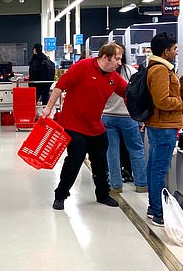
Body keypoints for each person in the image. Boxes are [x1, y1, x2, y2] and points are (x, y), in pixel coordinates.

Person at [41, 42, 126, 210]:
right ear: (104, 57)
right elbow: (60, 86)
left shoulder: (114, 78)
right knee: (74, 161)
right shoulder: (83, 67)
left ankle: (102, 194)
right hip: (74, 125)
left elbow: (129, 94)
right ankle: (61, 195)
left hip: (96, 127)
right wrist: (48, 108)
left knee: (101, 164)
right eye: (116, 59)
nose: (119, 63)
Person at [143, 32, 183, 227]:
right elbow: (162, 101)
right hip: (164, 126)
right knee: (159, 170)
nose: (176, 52)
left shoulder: (156, 67)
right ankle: (159, 212)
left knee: (154, 168)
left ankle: (154, 208)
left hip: (159, 125)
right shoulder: (160, 70)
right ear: (166, 51)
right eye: (174, 49)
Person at [101, 43, 148, 194]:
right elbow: (137, 95)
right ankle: (141, 184)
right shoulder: (131, 71)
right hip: (128, 116)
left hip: (107, 116)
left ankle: (116, 185)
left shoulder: (105, 73)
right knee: (135, 149)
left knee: (112, 151)